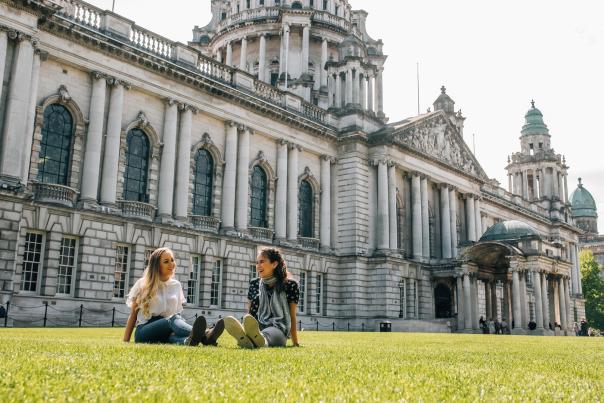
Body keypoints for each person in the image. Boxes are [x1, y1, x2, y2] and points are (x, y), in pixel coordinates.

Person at [122, 247, 224, 345]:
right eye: (166, 261)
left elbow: (177, 315)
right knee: (172, 319)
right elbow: (133, 315)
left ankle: (188, 342)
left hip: (167, 329)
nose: (171, 264)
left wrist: (177, 328)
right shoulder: (143, 284)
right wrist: (126, 340)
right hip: (144, 331)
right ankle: (206, 335)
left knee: (174, 337)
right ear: (157, 266)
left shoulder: (176, 285)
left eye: (172, 260)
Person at [224, 247, 300, 348]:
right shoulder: (254, 283)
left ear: (274, 264)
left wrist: (295, 342)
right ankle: (248, 337)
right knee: (255, 330)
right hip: (257, 325)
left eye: (262, 262)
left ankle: (255, 339)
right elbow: (249, 314)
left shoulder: (290, 285)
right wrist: (246, 325)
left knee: (267, 333)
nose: (258, 266)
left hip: (278, 328)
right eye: (257, 262)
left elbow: (291, 315)